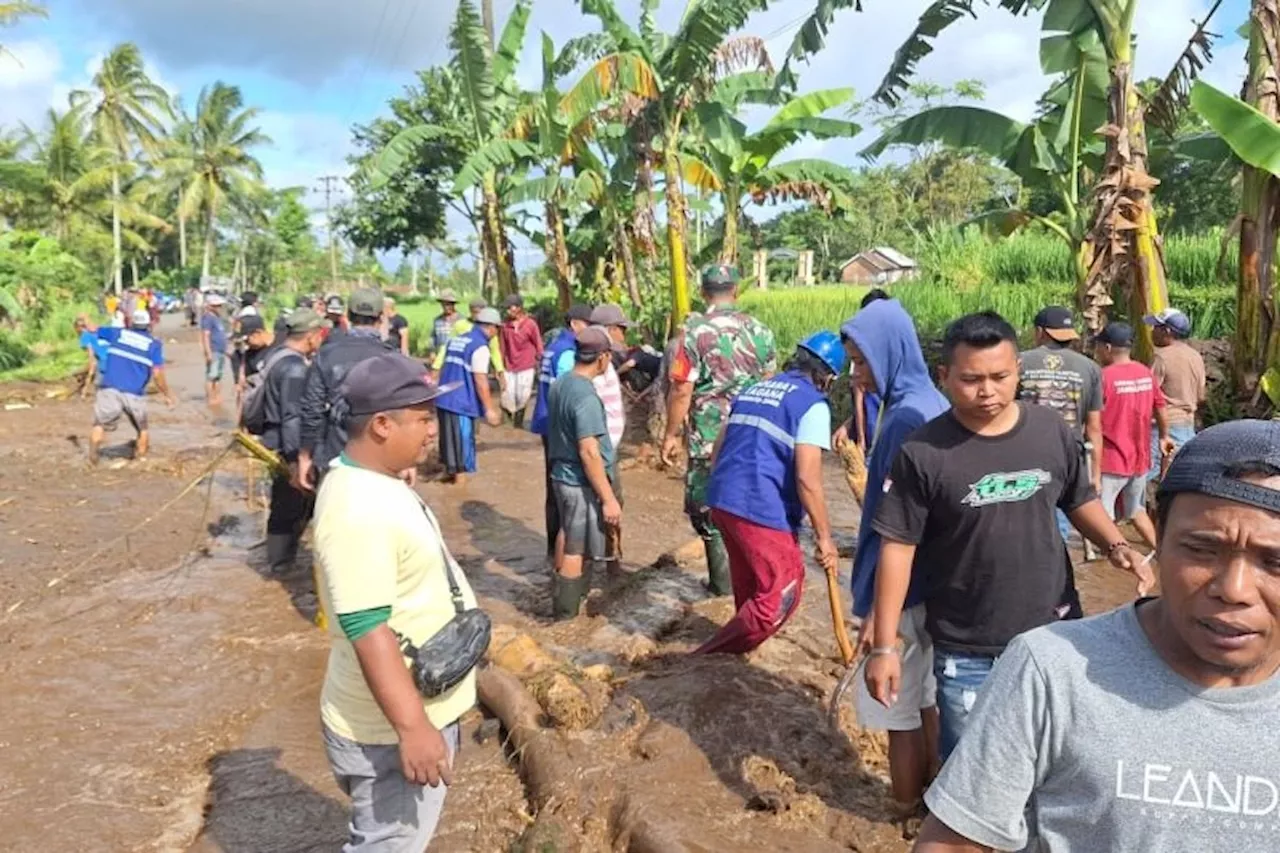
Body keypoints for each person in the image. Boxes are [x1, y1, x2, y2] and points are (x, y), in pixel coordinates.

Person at [912, 419, 1280, 853]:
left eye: (1274, 562)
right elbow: (953, 844)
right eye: (1201, 550)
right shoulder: (1053, 671)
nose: (1233, 589)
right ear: (1157, 535)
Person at [865, 312, 1150, 764]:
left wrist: (1118, 546)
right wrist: (884, 647)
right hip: (966, 646)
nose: (987, 391)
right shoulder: (922, 452)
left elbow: (1079, 499)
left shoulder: (1049, 431)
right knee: (970, 765)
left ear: (1018, 368)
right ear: (944, 377)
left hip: (1054, 634)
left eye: (1000, 376)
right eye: (971, 379)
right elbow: (897, 548)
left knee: (1056, 760)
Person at [313, 352, 478, 853]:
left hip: (407, 707)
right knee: (387, 845)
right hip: (387, 729)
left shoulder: (371, 478)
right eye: (424, 418)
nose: (434, 430)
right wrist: (413, 728)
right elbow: (367, 627)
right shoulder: (359, 509)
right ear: (382, 425)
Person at [841, 298, 950, 812]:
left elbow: (897, 529)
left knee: (895, 709)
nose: (855, 374)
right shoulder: (929, 402)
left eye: (862, 361)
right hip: (932, 585)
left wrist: (876, 617)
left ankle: (904, 810)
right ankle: (932, 799)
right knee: (925, 697)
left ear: (889, 352)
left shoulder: (905, 419)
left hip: (902, 591)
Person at [696, 332, 845, 655]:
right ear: (827, 377)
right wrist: (825, 538)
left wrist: (723, 490)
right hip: (760, 507)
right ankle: (707, 658)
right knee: (781, 596)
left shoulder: (756, 389)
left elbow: (719, 447)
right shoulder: (813, 405)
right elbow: (808, 478)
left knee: (751, 590)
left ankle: (734, 664)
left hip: (724, 499)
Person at [662, 264, 778, 595]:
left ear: (703, 293)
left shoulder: (694, 334)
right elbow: (770, 383)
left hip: (708, 438)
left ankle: (722, 586)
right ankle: (752, 584)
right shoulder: (761, 331)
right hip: (751, 437)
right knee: (746, 505)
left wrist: (671, 435)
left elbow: (682, 389)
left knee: (706, 511)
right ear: (736, 291)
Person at [546, 326, 624, 619]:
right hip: (579, 481)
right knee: (576, 548)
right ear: (602, 358)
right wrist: (608, 498)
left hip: (560, 476)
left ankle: (560, 593)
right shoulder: (586, 397)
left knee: (567, 532)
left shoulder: (560, 383)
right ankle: (565, 616)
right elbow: (589, 451)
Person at [1018, 305, 1104, 543]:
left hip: (1023, 451)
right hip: (1069, 455)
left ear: (1040, 331)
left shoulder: (1019, 363)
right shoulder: (1090, 368)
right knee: (1062, 520)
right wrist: (1095, 474)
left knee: (1024, 517)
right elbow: (1094, 427)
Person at [296, 288, 394, 493]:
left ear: (347, 315)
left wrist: (305, 455)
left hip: (334, 454)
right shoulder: (393, 358)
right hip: (379, 455)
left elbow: (312, 409)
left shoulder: (326, 354)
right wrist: (407, 460)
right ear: (381, 318)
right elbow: (402, 413)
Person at [1095, 321, 1175, 550]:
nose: (1098, 351)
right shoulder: (1144, 373)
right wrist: (1164, 435)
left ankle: (1115, 564)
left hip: (1112, 459)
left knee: (1103, 517)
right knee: (1135, 510)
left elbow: (1092, 417)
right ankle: (1161, 553)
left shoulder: (1103, 377)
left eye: (1099, 346)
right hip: (1139, 459)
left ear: (1108, 348)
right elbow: (1160, 405)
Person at [530, 304, 594, 561]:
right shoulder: (568, 352)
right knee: (566, 489)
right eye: (589, 325)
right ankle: (566, 553)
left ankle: (552, 551)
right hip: (560, 428)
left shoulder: (553, 346)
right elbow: (571, 394)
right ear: (576, 324)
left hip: (546, 422)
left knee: (553, 487)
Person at [90, 309, 176, 464]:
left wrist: (85, 319)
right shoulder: (154, 345)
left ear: (131, 322)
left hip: (110, 387)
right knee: (142, 428)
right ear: (149, 325)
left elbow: (94, 329)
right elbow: (157, 374)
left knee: (99, 424)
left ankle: (93, 458)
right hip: (134, 393)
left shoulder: (117, 333)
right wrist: (167, 394)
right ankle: (141, 459)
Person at [434, 307, 503, 484]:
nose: (497, 333)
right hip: (461, 402)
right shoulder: (480, 347)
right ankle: (460, 484)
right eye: (498, 328)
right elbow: (480, 379)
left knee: (448, 440)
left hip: (443, 398)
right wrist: (489, 409)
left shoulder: (455, 340)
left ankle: (448, 474)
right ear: (490, 327)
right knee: (462, 445)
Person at [1146, 307, 1205, 478]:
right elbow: (1201, 396)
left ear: (1167, 331)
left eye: (1156, 327)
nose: (1152, 332)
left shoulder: (1161, 357)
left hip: (1164, 427)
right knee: (1178, 477)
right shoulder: (1195, 356)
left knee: (1144, 475)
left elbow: (1149, 395)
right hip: (1187, 426)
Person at [835, 287, 891, 450]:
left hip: (875, 424)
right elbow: (859, 395)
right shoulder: (888, 344)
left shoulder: (863, 346)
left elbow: (859, 395)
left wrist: (861, 440)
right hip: (877, 422)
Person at [431, 297, 506, 387]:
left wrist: (500, 370)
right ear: (470, 311)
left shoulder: (489, 329)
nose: (477, 316)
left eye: (480, 313)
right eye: (474, 312)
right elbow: (446, 346)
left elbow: (494, 351)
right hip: (461, 368)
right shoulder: (460, 325)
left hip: (479, 367)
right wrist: (436, 367)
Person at [590, 304, 629, 466]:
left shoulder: (605, 361)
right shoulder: (598, 364)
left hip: (606, 448)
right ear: (612, 329)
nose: (624, 336)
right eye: (623, 330)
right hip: (601, 450)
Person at [498, 294, 543, 429]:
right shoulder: (505, 326)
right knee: (507, 395)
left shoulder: (530, 325)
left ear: (518, 308)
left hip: (527, 365)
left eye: (510, 308)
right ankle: (508, 422)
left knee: (523, 395)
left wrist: (541, 361)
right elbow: (502, 347)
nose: (507, 311)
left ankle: (518, 422)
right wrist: (499, 368)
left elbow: (538, 344)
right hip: (509, 365)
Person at [200, 293, 229, 406]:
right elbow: (205, 336)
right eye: (217, 306)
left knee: (218, 376)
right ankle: (211, 398)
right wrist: (208, 353)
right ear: (210, 306)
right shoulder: (208, 318)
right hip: (214, 350)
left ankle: (217, 397)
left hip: (220, 350)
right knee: (211, 376)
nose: (219, 308)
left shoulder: (217, 318)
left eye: (220, 306)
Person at [74, 314, 109, 397]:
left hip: (105, 362)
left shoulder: (85, 337)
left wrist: (84, 391)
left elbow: (92, 361)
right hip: (116, 359)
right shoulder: (99, 331)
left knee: (99, 386)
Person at [431, 290, 461, 355]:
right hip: (440, 356)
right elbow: (433, 338)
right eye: (444, 304)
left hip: (456, 354)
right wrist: (432, 352)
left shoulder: (461, 320)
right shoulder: (437, 321)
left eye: (449, 304)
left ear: (453, 305)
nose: (447, 307)